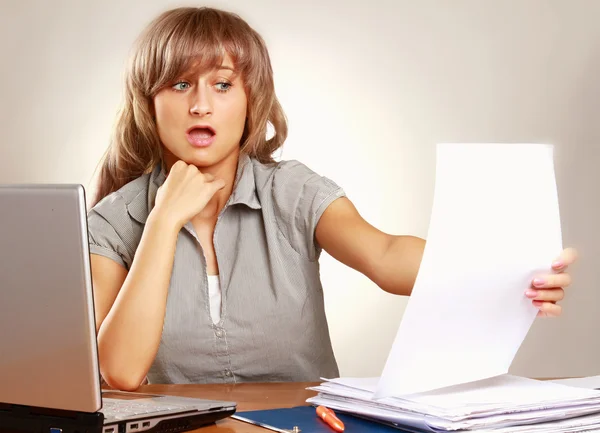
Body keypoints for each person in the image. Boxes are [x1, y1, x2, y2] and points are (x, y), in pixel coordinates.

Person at [87, 6, 577, 391]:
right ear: (149, 102)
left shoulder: (292, 191)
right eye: (179, 84)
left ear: (250, 98)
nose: (200, 104)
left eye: (222, 84)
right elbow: (122, 373)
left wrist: (511, 271)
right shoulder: (112, 221)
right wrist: (164, 220)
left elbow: (385, 255)